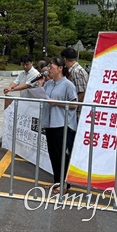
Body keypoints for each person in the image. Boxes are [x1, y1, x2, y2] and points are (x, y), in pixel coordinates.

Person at [37, 56, 78, 195]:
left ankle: (64, 184)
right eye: (48, 66)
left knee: (61, 155)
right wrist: (39, 84)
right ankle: (57, 181)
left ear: (60, 68)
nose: (49, 69)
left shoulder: (68, 85)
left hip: (61, 123)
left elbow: (74, 104)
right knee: (53, 154)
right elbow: (42, 96)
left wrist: (58, 102)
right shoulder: (48, 84)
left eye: (52, 66)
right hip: (49, 123)